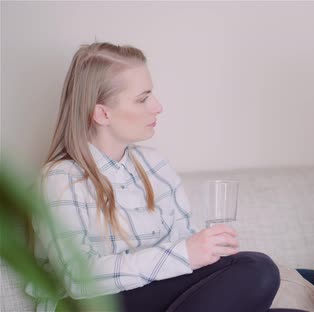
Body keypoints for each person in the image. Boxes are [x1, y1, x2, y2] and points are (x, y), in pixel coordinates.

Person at [27, 42, 282, 312]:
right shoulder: (61, 179)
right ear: (102, 113)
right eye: (142, 98)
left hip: (165, 297)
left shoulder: (154, 165)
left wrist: (203, 253)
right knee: (259, 269)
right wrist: (184, 254)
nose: (157, 107)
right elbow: (78, 278)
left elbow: (186, 250)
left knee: (297, 285)